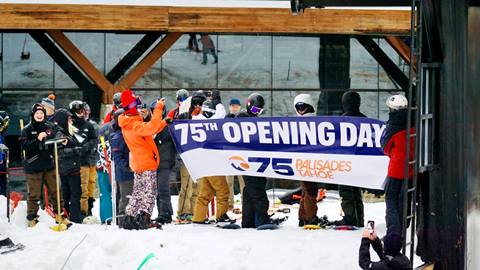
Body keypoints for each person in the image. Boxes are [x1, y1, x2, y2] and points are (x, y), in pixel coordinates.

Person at [118, 89, 170, 230]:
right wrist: (159, 108)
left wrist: (165, 121)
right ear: (133, 107)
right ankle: (144, 218)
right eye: (138, 106)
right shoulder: (135, 125)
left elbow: (150, 128)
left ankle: (129, 218)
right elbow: (151, 127)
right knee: (150, 192)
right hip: (146, 163)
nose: (141, 109)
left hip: (138, 163)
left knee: (138, 193)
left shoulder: (128, 122)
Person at [236, 93, 283, 228]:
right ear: (248, 105)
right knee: (257, 191)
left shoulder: (255, 121)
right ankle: (262, 219)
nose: (256, 113)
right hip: (247, 161)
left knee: (250, 191)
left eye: (259, 111)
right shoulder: (243, 118)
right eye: (255, 110)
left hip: (256, 161)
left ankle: (248, 220)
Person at [19, 104, 60, 227]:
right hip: (33, 166)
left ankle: (60, 215)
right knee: (34, 194)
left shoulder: (50, 127)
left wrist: (60, 139)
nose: (39, 115)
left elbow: (57, 140)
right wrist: (37, 139)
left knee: (56, 191)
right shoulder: (26, 129)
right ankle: (32, 218)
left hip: (49, 165)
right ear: (33, 114)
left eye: (41, 113)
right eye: (37, 113)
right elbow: (25, 146)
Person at [191, 98, 231, 224]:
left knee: (205, 193)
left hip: (201, 163)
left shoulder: (196, 120)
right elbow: (221, 113)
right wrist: (218, 101)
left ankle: (198, 218)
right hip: (213, 163)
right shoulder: (213, 122)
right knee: (223, 191)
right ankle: (221, 217)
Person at [381, 95, 414, 235]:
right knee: (405, 199)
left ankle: (394, 232)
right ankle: (404, 225)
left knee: (392, 200)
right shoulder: (415, 121)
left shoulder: (392, 126)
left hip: (396, 170)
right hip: (412, 169)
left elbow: (385, 146)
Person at [334, 91, 366, 227]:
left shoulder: (341, 121)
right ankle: (360, 219)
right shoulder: (366, 120)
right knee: (356, 191)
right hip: (360, 162)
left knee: (347, 191)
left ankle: (350, 218)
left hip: (345, 161)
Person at [175, 91, 207, 222]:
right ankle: (183, 211)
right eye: (196, 104)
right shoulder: (185, 116)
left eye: (201, 104)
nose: (198, 106)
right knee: (187, 186)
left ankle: (194, 211)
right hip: (187, 156)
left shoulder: (205, 117)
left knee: (198, 186)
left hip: (200, 156)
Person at [293, 94, 323, 227]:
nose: (301, 110)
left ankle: (303, 216)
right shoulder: (295, 123)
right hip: (305, 160)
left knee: (306, 189)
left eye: (303, 106)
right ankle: (310, 217)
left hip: (307, 159)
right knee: (310, 190)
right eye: (298, 107)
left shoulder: (314, 123)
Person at [69, 101, 98, 218]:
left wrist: (90, 148)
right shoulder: (72, 125)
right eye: (81, 112)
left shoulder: (92, 125)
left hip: (92, 159)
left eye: (85, 111)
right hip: (81, 161)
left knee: (91, 185)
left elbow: (95, 140)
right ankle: (84, 211)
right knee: (83, 186)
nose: (84, 114)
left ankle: (89, 207)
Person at [54, 109, 82, 223]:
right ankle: (73, 218)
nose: (71, 120)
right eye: (69, 118)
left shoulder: (71, 131)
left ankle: (71, 216)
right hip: (68, 168)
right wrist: (76, 150)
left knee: (71, 193)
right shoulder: (60, 132)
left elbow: (82, 141)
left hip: (71, 166)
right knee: (71, 194)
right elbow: (59, 151)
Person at [150, 101, 175, 225]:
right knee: (157, 190)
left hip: (165, 161)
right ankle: (162, 212)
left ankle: (166, 213)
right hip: (153, 162)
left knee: (163, 188)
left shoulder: (168, 126)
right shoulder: (151, 125)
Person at [109, 109, 134, 228]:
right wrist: (128, 167)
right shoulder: (118, 136)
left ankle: (128, 219)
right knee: (125, 197)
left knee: (129, 197)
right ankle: (123, 221)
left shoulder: (126, 133)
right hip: (125, 173)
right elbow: (117, 157)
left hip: (131, 170)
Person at [225, 97, 245, 210]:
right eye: (232, 106)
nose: (234, 108)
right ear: (229, 107)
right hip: (229, 154)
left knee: (243, 181)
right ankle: (229, 204)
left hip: (241, 154)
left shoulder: (243, 118)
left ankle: (245, 203)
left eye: (236, 106)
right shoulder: (226, 118)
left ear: (240, 107)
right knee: (228, 182)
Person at [96, 121, 112, 224]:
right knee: (106, 191)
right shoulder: (105, 128)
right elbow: (99, 147)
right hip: (104, 165)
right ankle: (107, 216)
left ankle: (109, 216)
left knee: (108, 192)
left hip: (111, 164)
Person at [0, 111, 9, 197]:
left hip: (3, 159)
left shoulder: (3, 131)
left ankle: (3, 197)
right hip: (1, 161)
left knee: (3, 182)